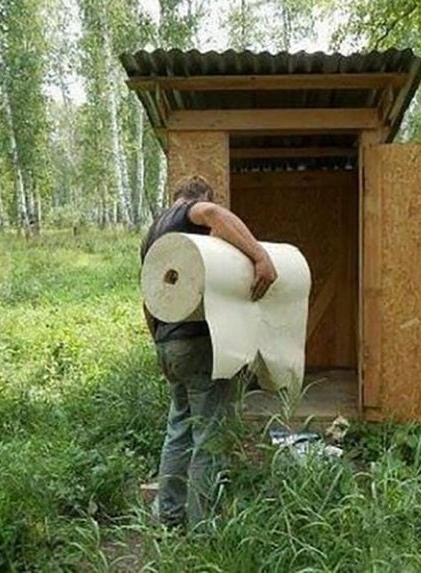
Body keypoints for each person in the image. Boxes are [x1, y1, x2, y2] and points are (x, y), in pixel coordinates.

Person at [140, 175, 278, 530]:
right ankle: (204, 526)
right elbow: (214, 213)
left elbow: (149, 297)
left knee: (179, 430)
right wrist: (261, 258)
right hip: (199, 344)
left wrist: (162, 343)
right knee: (208, 435)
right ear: (196, 197)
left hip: (169, 343)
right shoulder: (186, 214)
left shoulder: (152, 236)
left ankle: (169, 516)